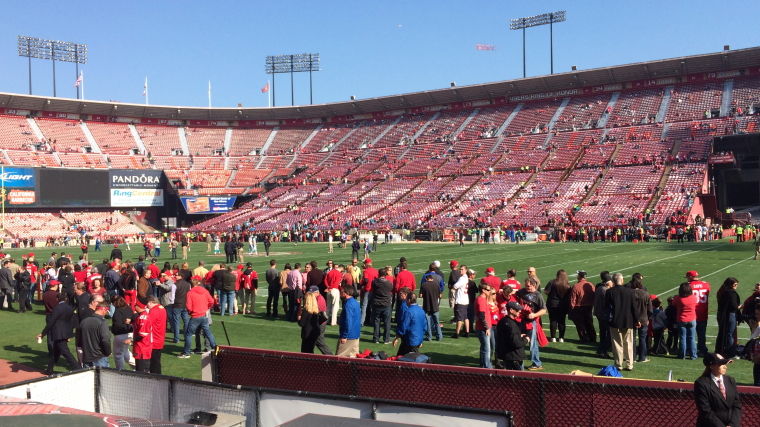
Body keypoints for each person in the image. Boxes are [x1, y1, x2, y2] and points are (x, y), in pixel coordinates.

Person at [694, 353, 742, 426]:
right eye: (721, 364)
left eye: (725, 364)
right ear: (712, 366)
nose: (725, 367)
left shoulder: (730, 380)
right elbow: (705, 410)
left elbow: (737, 405)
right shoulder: (701, 383)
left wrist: (733, 424)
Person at [37, 293, 79, 375]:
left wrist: (43, 334)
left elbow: (51, 322)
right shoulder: (70, 308)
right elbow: (73, 322)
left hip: (58, 334)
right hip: (65, 333)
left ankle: (78, 368)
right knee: (56, 352)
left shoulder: (56, 309)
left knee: (66, 352)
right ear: (66, 299)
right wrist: (69, 334)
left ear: (57, 299)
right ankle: (49, 369)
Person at [605, 273, 638, 371]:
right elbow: (634, 308)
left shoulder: (610, 292)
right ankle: (629, 364)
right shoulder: (630, 291)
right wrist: (637, 320)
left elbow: (606, 306)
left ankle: (618, 364)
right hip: (628, 321)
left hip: (615, 321)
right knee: (628, 343)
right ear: (622, 280)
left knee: (617, 343)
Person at [178, 276, 216, 358]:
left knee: (188, 334)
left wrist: (191, 312)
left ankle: (186, 352)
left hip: (196, 315)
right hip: (204, 314)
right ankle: (214, 347)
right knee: (207, 332)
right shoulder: (205, 291)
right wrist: (207, 307)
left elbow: (189, 306)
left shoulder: (190, 293)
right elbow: (211, 301)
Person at [516, 275, 546, 371]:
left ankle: (536, 363)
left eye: (528, 286)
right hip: (522, 320)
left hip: (531, 321)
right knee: (519, 340)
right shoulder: (522, 291)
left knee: (532, 343)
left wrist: (534, 315)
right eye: (525, 285)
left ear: (533, 285)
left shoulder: (538, 295)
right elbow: (516, 293)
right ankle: (519, 360)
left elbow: (544, 310)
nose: (526, 287)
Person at [496, 301, 530, 371]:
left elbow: (505, 337)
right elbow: (517, 343)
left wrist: (518, 335)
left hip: (506, 356)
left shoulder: (502, 321)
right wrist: (526, 339)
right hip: (514, 357)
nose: (520, 311)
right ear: (511, 310)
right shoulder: (512, 324)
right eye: (517, 310)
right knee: (518, 379)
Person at [79, 300, 112, 368]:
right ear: (104, 311)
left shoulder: (84, 321)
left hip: (87, 357)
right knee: (102, 378)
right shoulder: (102, 322)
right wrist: (108, 352)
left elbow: (80, 339)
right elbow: (105, 340)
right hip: (99, 357)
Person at [715, 277, 742, 358]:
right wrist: (740, 306)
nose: (736, 286)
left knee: (722, 333)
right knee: (730, 334)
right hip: (730, 315)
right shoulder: (731, 293)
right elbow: (734, 306)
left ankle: (721, 350)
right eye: (734, 285)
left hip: (721, 315)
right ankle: (730, 352)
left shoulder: (721, 291)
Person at [687, 270, 711, 356]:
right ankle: (702, 350)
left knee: (690, 334)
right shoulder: (706, 284)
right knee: (701, 334)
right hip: (703, 313)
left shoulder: (688, 286)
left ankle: (689, 350)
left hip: (691, 313)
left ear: (690, 277)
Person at [124, 299, 152, 372]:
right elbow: (133, 327)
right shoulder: (140, 316)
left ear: (139, 306)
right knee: (140, 370)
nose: (134, 306)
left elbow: (142, 334)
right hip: (140, 348)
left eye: (135, 305)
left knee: (142, 371)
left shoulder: (143, 318)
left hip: (143, 348)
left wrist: (131, 340)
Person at [544, 270, 571, 343]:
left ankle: (553, 337)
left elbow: (546, 291)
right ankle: (561, 337)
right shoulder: (567, 285)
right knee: (562, 321)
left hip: (552, 304)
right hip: (563, 305)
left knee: (553, 320)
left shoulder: (552, 282)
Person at [569, 270, 596, 343]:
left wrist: (572, 308)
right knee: (589, 323)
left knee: (580, 324)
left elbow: (573, 299)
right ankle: (592, 337)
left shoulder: (576, 286)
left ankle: (584, 338)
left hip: (579, 308)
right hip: (589, 307)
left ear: (580, 276)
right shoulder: (590, 285)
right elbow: (594, 296)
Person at [674, 281, 698, 360]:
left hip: (681, 319)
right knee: (691, 337)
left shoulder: (678, 298)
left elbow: (674, 304)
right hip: (692, 319)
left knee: (682, 338)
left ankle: (682, 355)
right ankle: (693, 355)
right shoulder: (694, 297)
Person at [336, 284, 360, 357]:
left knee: (339, 358)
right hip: (356, 336)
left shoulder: (348, 305)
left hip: (349, 337)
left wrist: (345, 335)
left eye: (343, 292)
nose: (341, 293)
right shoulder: (355, 302)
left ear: (347, 293)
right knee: (354, 359)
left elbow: (348, 321)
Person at [110, 295, 134, 370]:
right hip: (130, 333)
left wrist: (113, 330)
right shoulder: (129, 308)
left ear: (115, 303)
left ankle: (121, 372)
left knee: (118, 354)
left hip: (121, 334)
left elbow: (117, 324)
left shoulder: (118, 310)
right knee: (126, 352)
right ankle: (138, 367)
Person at [631, 279, 652, 363]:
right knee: (642, 339)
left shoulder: (630, 293)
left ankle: (633, 357)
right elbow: (650, 309)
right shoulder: (646, 294)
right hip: (643, 319)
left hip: (632, 319)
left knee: (632, 339)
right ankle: (642, 357)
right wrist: (648, 318)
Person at [371, 267, 393, 344]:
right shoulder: (388, 283)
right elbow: (391, 289)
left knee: (377, 321)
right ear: (385, 274)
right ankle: (386, 339)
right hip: (386, 303)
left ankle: (376, 338)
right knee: (387, 322)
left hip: (376, 303)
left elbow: (373, 288)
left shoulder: (374, 282)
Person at [593, 272, 613, 357]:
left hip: (599, 313)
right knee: (610, 333)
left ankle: (602, 347)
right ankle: (602, 350)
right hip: (604, 314)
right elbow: (606, 303)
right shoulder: (605, 290)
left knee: (603, 331)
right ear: (608, 283)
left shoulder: (599, 288)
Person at [474, 283, 494, 368]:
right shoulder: (481, 300)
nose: (490, 292)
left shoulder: (480, 299)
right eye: (488, 290)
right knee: (487, 349)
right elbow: (482, 316)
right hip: (483, 329)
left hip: (481, 327)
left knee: (483, 348)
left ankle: (482, 366)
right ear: (483, 290)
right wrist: (487, 328)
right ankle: (487, 367)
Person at [420, 271, 442, 342]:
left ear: (426, 279)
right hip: (435, 306)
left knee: (428, 322)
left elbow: (420, 295)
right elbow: (440, 295)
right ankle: (439, 336)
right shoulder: (436, 285)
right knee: (437, 322)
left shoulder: (423, 285)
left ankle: (429, 337)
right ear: (432, 279)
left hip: (427, 306)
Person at [146, 296, 167, 374]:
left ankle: (157, 378)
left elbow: (147, 323)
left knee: (154, 363)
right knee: (157, 361)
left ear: (151, 302)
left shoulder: (154, 311)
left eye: (147, 303)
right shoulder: (162, 308)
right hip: (160, 338)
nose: (147, 306)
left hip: (154, 339)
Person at [171, 271, 191, 343]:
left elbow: (172, 296)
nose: (175, 276)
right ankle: (186, 337)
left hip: (177, 305)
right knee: (186, 322)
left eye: (176, 275)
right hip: (185, 305)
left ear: (180, 276)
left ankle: (176, 339)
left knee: (177, 322)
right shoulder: (188, 284)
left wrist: (172, 303)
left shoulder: (174, 285)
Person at [451, 265, 470, 338]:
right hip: (465, 300)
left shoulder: (462, 278)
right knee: (466, 317)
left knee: (459, 318)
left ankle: (457, 333)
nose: (460, 271)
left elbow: (455, 286)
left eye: (462, 269)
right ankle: (467, 332)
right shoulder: (466, 278)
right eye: (460, 269)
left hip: (460, 300)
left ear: (465, 270)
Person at [360, 259, 377, 326]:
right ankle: (372, 321)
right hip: (374, 290)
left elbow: (366, 280)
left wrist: (362, 285)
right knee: (373, 306)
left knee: (364, 306)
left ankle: (362, 321)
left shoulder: (366, 271)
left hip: (367, 290)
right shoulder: (375, 271)